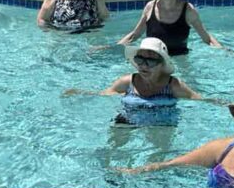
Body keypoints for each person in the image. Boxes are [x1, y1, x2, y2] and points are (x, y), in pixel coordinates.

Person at [66, 37, 204, 125]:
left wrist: (222, 103)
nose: (143, 65)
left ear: (162, 64)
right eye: (140, 59)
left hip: (162, 124)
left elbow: (200, 101)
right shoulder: (127, 82)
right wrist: (81, 93)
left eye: (150, 61)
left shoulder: (173, 85)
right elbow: (104, 95)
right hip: (127, 121)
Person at [116, 0, 221, 55]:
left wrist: (224, 52)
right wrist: (114, 48)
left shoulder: (188, 10)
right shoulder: (149, 7)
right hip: (154, 62)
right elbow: (134, 35)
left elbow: (207, 38)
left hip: (180, 59)